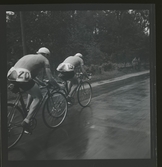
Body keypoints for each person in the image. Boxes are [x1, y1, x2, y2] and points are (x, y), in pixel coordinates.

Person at [7, 47, 61, 134]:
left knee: (31, 90)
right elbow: (50, 78)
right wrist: (59, 86)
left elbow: (32, 77)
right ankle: (26, 121)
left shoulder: (30, 56)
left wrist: (41, 83)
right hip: (23, 76)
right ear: (46, 55)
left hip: (11, 74)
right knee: (38, 97)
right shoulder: (44, 59)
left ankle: (27, 110)